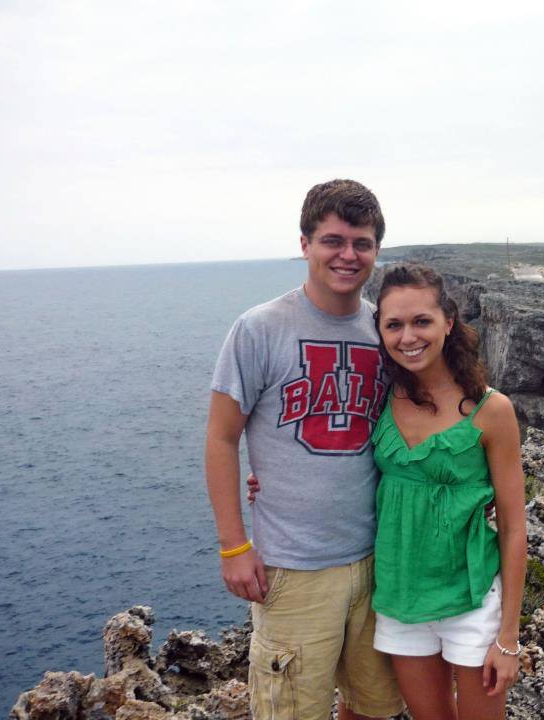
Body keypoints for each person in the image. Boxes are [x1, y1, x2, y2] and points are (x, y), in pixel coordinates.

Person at [252, 264, 528, 719]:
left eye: (422, 321)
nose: (408, 337)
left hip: (471, 597)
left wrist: (509, 637)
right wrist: (270, 478)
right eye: (393, 325)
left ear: (448, 322)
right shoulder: (382, 394)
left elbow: (514, 528)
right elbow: (327, 445)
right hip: (400, 596)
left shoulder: (491, 409)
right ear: (379, 330)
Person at [205, 179, 404, 720]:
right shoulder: (258, 329)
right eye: (333, 240)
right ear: (305, 243)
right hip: (294, 572)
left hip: (378, 562)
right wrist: (232, 546)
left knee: (376, 706)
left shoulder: (385, 331)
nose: (348, 255)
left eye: (361, 243)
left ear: (376, 251)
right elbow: (222, 438)